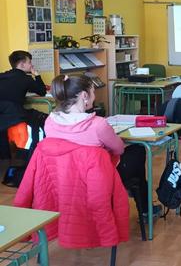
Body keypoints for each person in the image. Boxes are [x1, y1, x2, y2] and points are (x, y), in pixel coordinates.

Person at [43, 74, 159, 216]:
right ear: (85, 95)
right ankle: (145, 207)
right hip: (96, 178)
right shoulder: (98, 124)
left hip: (64, 177)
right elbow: (119, 149)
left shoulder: (49, 121)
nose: (94, 96)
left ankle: (140, 202)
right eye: (93, 92)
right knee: (137, 151)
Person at [0, 50, 47, 159]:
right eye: (29, 62)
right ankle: (36, 153)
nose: (31, 65)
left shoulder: (2, 76)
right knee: (41, 117)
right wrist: (37, 75)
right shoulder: (26, 79)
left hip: (3, 118)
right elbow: (42, 91)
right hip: (14, 115)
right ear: (22, 64)